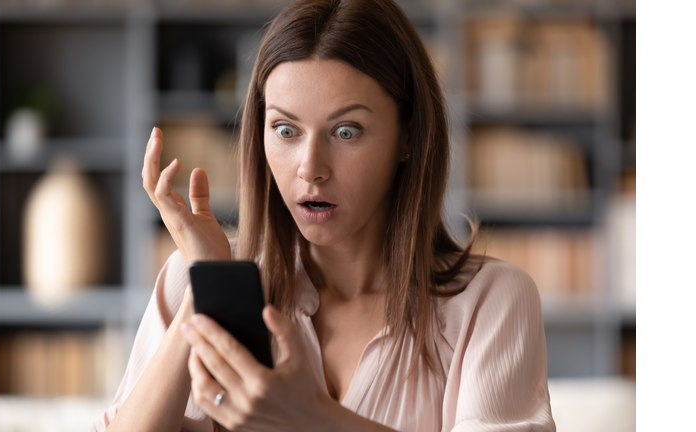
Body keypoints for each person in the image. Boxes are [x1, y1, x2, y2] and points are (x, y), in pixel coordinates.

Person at [92, 0, 556, 431]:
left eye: (346, 131)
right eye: (286, 129)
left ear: (408, 136)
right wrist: (211, 286)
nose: (310, 168)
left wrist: (311, 416)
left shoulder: (491, 301)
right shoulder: (196, 278)